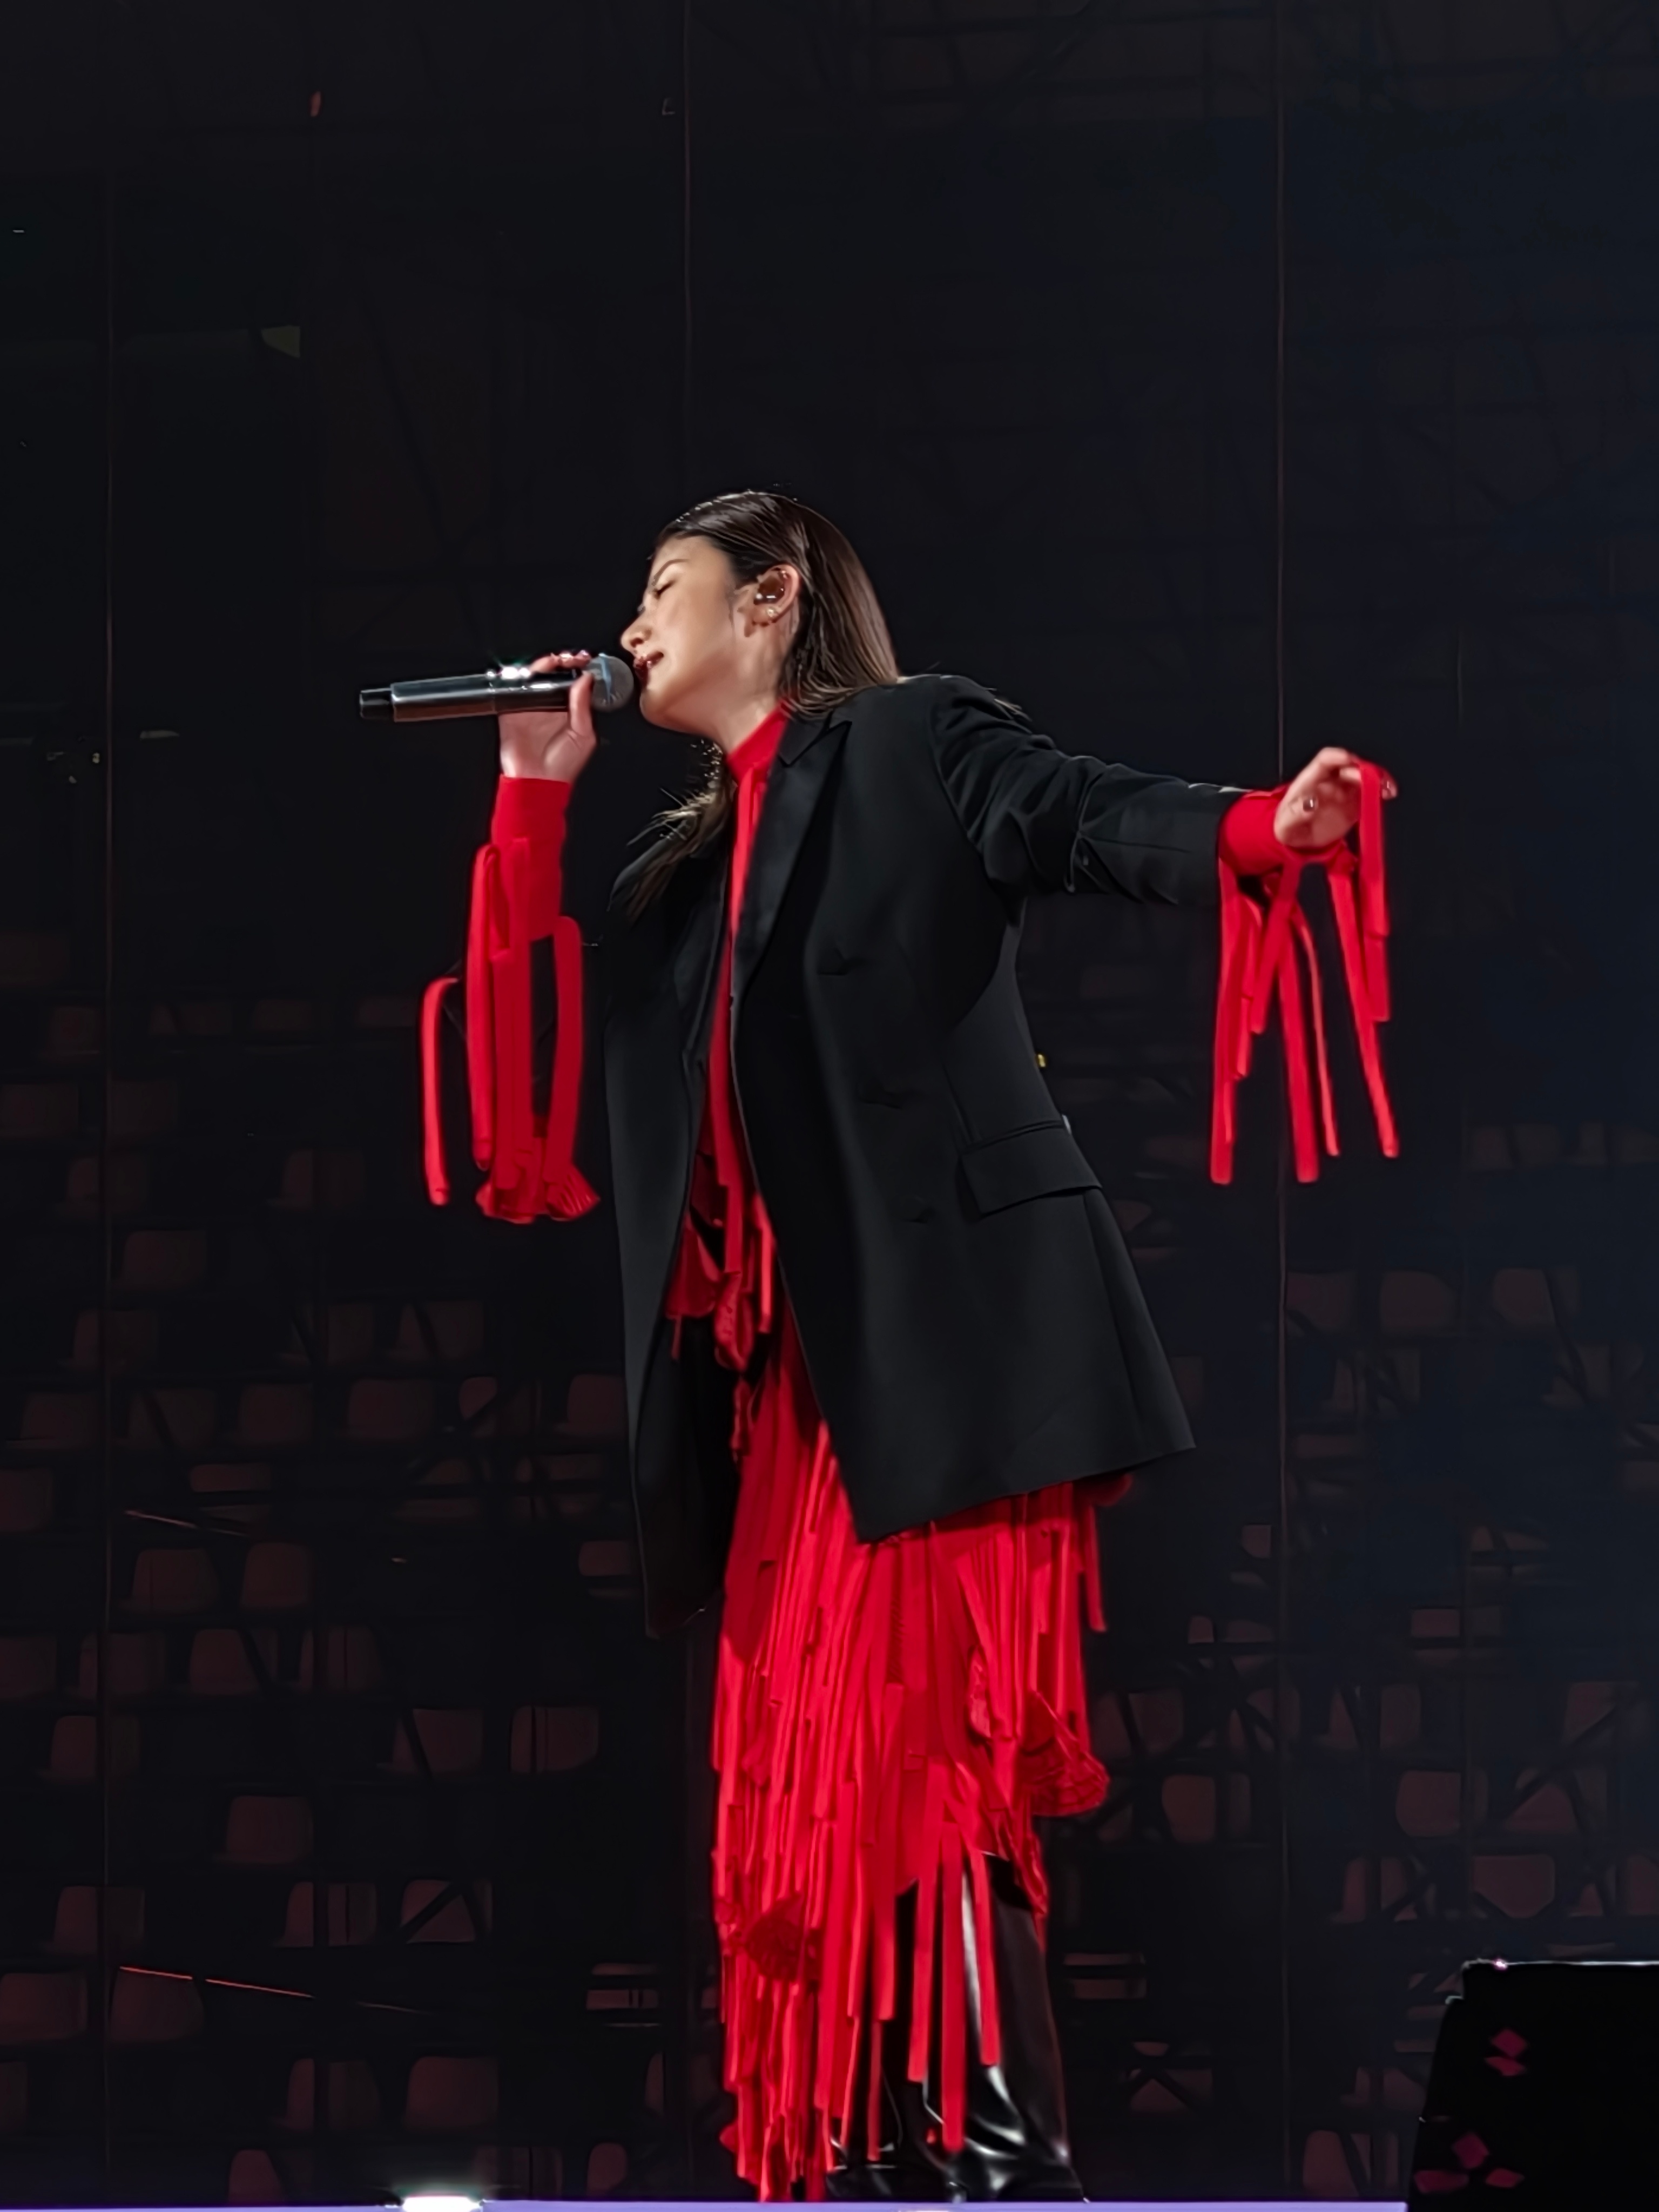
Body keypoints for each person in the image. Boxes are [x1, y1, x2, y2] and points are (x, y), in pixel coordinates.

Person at [420, 490, 1397, 2201]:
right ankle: (884, 2163)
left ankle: (1003, 2168)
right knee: (812, 1799)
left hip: (946, 1360)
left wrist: (1262, 827)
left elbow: (1077, 813)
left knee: (922, 1759)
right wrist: (529, 799)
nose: (634, 625)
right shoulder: (683, 881)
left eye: (666, 586)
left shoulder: (908, 739)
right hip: (795, 1413)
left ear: (773, 599)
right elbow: (531, 1129)